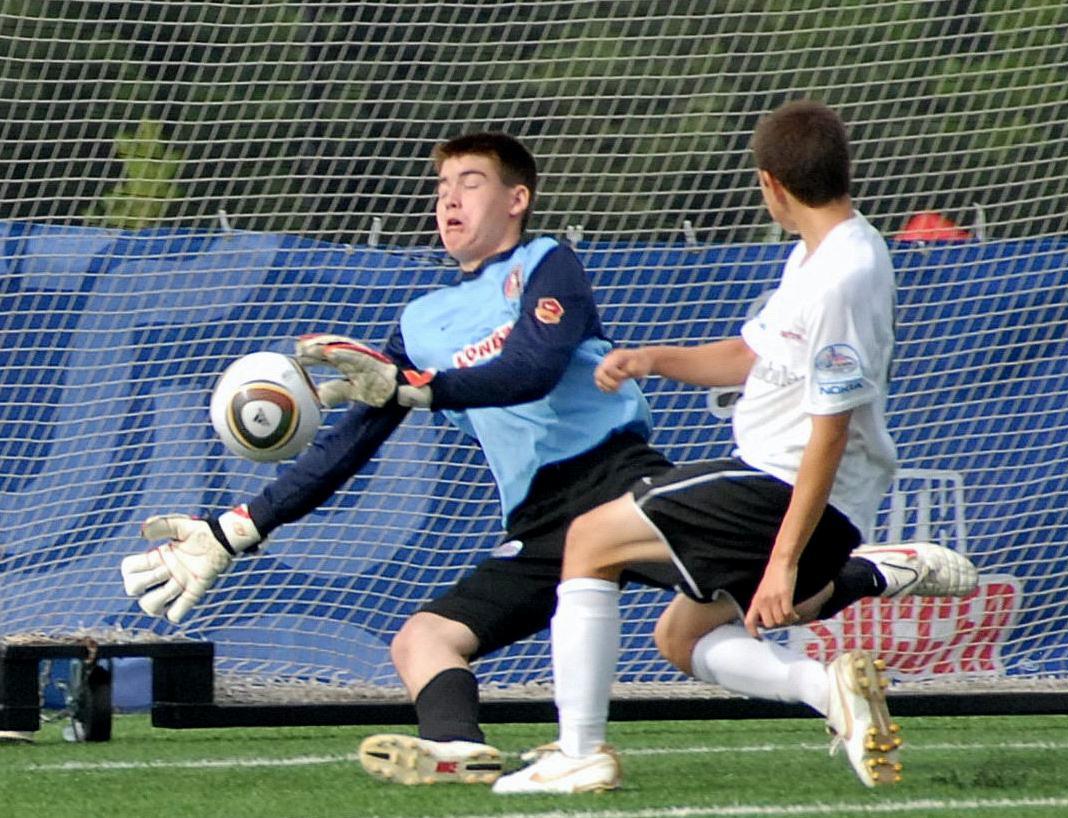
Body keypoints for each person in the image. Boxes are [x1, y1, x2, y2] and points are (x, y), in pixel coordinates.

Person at [120, 129, 972, 784]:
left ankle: (859, 578)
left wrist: (413, 390)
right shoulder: (419, 321)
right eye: (440, 187)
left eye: (470, 183)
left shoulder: (545, 263)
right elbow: (350, 443)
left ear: (518, 198)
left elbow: (527, 370)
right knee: (422, 641)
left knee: (757, 605)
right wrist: (237, 528)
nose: (449, 201)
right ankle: (457, 747)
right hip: (535, 520)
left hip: (616, 476)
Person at [494, 100, 945, 795]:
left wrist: (783, 563)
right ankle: (830, 690)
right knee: (681, 640)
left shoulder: (844, 275)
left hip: (780, 487)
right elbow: (748, 355)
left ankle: (581, 753)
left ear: (770, 184)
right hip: (782, 488)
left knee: (589, 539)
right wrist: (651, 359)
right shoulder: (818, 256)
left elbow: (832, 429)